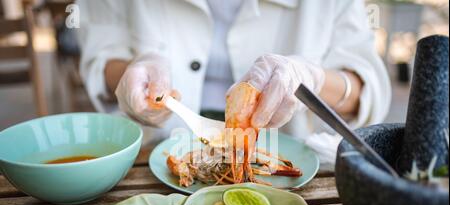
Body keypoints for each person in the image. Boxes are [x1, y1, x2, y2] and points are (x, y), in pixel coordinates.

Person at [76, 0, 391, 163]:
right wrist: (134, 72)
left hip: (286, 155)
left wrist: (313, 79)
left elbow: (367, 88)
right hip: (151, 150)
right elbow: (102, 54)